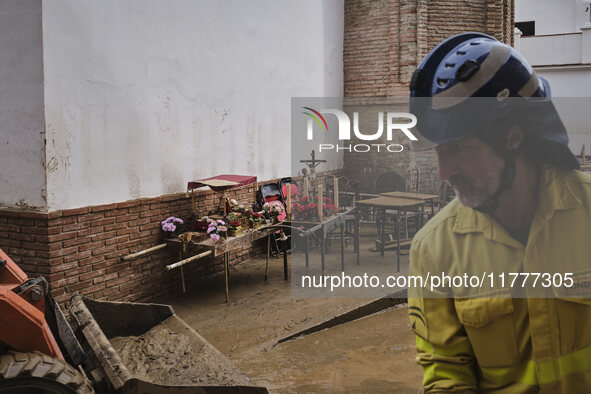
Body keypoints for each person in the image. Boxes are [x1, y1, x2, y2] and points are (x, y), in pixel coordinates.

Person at [407, 32, 591, 392]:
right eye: (439, 151)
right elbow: (445, 372)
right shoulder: (434, 250)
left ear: (514, 137)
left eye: (460, 147)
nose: (445, 172)